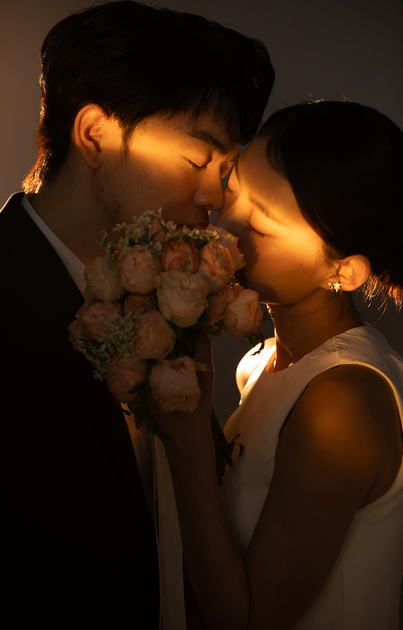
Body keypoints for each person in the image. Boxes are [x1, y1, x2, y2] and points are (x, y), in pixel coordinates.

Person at [0, 1, 274, 627]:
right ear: (95, 134)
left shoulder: (172, 306)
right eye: (197, 160)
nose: (215, 197)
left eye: (226, 171)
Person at [157, 100, 403, 629]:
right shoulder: (263, 361)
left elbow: (251, 619)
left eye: (261, 227)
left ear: (343, 269)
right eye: (233, 188)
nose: (223, 222)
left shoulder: (341, 406)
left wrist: (186, 437)